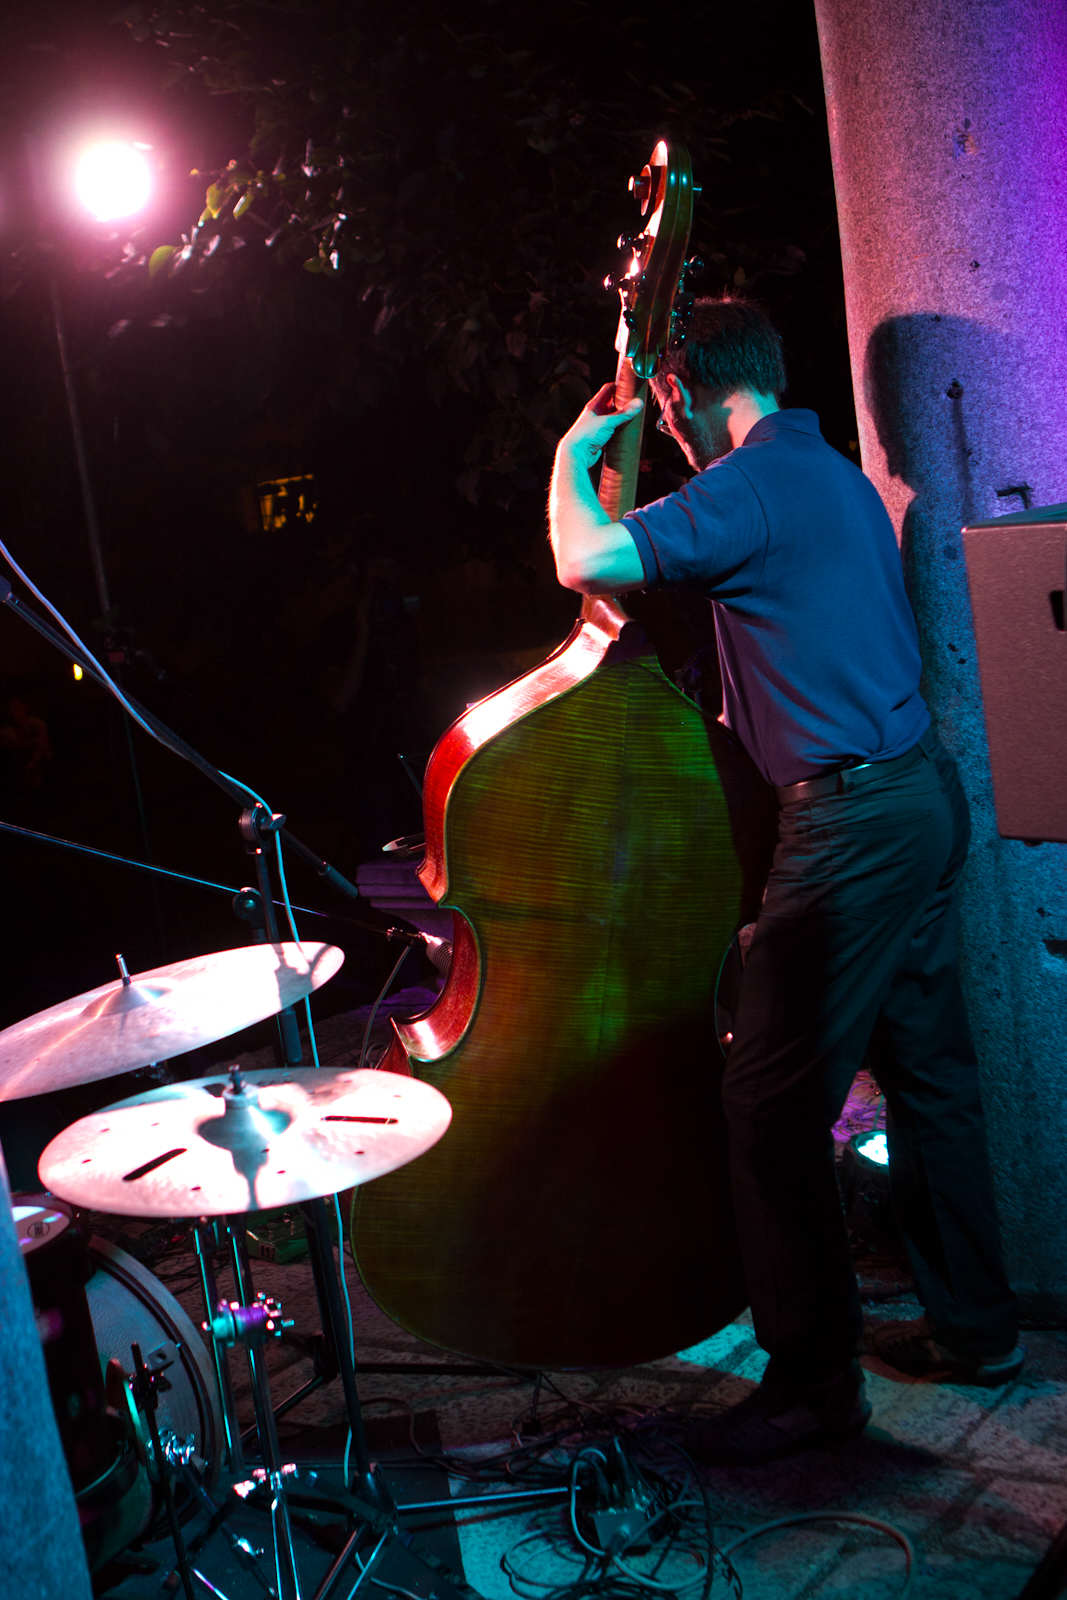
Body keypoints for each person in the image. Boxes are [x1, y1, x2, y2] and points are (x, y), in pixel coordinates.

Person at [547, 296, 1021, 1464]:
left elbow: (581, 557)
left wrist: (572, 451)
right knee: (928, 1074)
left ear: (684, 390)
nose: (665, 426)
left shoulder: (747, 486)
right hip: (916, 793)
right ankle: (977, 1331)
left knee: (766, 1103)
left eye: (665, 403)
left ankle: (812, 1382)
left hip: (849, 823)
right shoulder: (832, 476)